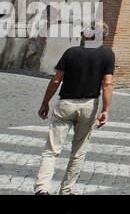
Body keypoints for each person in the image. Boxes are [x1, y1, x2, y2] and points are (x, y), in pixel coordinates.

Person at [35, 22, 114, 195]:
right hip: (89, 105)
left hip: (66, 104)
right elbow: (107, 84)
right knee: (79, 151)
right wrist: (105, 110)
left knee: (52, 149)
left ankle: (42, 188)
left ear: (86, 35)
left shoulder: (71, 52)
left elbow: (56, 80)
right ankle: (68, 189)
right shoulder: (108, 55)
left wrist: (45, 102)